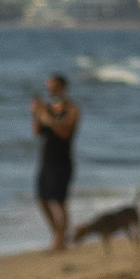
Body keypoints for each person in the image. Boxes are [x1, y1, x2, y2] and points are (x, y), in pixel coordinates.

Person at [31, 74, 81, 251]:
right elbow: (36, 132)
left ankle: (61, 240)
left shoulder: (72, 109)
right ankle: (58, 235)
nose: (50, 91)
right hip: (46, 161)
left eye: (53, 87)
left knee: (58, 202)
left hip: (62, 161)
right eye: (48, 88)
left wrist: (49, 120)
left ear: (62, 88)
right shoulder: (46, 108)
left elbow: (66, 134)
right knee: (42, 201)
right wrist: (37, 114)